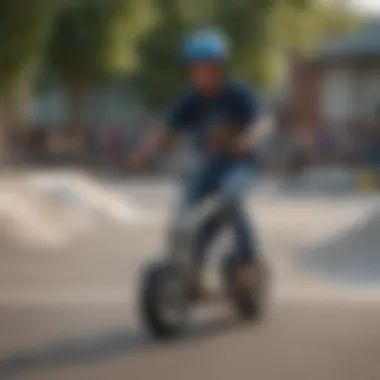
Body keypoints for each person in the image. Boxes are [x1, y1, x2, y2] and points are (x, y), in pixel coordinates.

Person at [129, 30, 263, 298]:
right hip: (211, 166)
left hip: (240, 165)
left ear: (220, 67)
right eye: (196, 67)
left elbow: (261, 123)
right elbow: (166, 128)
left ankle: (248, 262)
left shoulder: (237, 94)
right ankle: (190, 269)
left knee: (231, 197)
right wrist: (145, 151)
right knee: (185, 208)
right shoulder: (191, 99)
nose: (201, 72)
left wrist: (248, 138)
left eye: (207, 66)